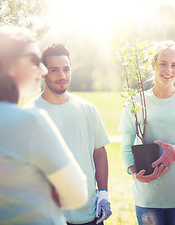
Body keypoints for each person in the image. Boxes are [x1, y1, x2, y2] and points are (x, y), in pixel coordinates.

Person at [0, 26, 87, 224]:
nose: (42, 70)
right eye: (34, 60)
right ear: (9, 66)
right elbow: (78, 195)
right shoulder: (31, 122)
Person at [26, 43, 112, 225]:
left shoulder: (88, 109)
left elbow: (99, 152)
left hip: (90, 213)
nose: (62, 76)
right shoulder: (29, 113)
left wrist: (103, 193)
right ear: (43, 72)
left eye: (66, 69)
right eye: (54, 70)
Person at [119, 40, 175, 225]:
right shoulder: (135, 102)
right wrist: (134, 173)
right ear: (152, 64)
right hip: (147, 197)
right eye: (163, 63)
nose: (168, 70)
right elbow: (126, 146)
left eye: (174, 65)